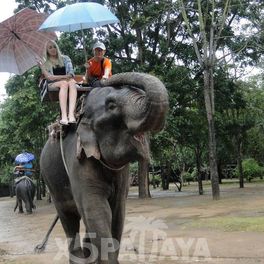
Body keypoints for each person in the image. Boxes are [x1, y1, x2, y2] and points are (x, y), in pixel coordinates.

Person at [37, 40, 77, 125]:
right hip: (53, 84)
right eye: (50, 47)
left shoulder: (65, 58)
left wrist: (67, 77)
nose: (53, 49)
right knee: (64, 83)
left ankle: (71, 115)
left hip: (68, 81)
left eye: (54, 46)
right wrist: (42, 67)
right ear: (47, 50)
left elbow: (71, 74)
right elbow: (49, 78)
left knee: (72, 82)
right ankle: (64, 116)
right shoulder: (45, 63)